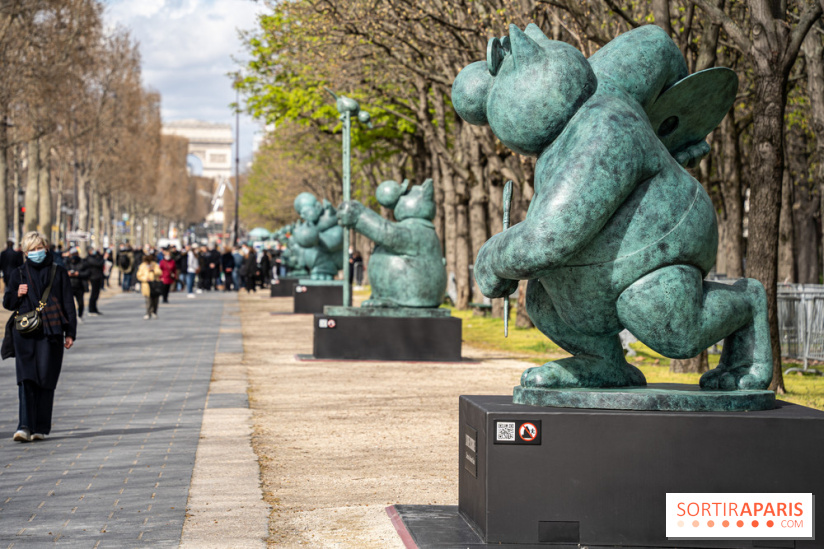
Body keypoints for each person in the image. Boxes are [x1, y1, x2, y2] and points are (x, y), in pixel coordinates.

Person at [3, 231, 77, 442]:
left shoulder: (58, 272)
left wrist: (70, 332)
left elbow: (68, 303)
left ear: (46, 247)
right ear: (25, 252)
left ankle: (40, 427)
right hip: (24, 332)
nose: (37, 252)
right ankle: (24, 426)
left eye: (40, 248)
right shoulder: (18, 273)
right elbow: (8, 302)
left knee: (46, 378)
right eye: (32, 249)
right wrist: (17, 293)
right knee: (26, 379)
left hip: (51, 332)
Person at [136, 254, 162, 320]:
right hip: (146, 285)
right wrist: (145, 278)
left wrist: (153, 270)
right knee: (148, 300)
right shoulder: (142, 266)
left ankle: (154, 312)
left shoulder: (155, 265)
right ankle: (148, 313)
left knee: (155, 300)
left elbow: (160, 272)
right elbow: (139, 275)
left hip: (155, 285)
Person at [65, 248, 87, 323]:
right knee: (69, 304)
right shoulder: (66, 262)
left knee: (81, 303)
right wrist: (67, 273)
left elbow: (87, 273)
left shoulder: (82, 262)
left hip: (79, 286)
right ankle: (70, 317)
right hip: (69, 286)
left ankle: (80, 315)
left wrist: (78, 274)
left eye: (75, 254)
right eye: (72, 254)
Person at [84, 247, 105, 315]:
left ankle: (94, 309)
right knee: (93, 294)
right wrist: (104, 258)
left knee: (96, 294)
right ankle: (91, 309)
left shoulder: (95, 257)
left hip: (98, 277)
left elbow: (99, 260)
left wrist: (100, 254)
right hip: (93, 277)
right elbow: (99, 263)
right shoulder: (89, 258)